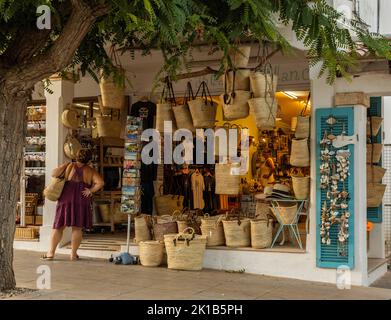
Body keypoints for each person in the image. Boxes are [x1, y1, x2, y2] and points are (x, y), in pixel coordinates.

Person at [41, 149, 104, 261]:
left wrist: (66, 165)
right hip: (81, 200)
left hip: (66, 198)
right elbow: (100, 183)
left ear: (76, 156)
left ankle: (50, 253)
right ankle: (73, 254)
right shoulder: (90, 170)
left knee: (58, 226)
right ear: (89, 160)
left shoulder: (69, 165)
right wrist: (90, 190)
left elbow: (54, 173)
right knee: (77, 228)